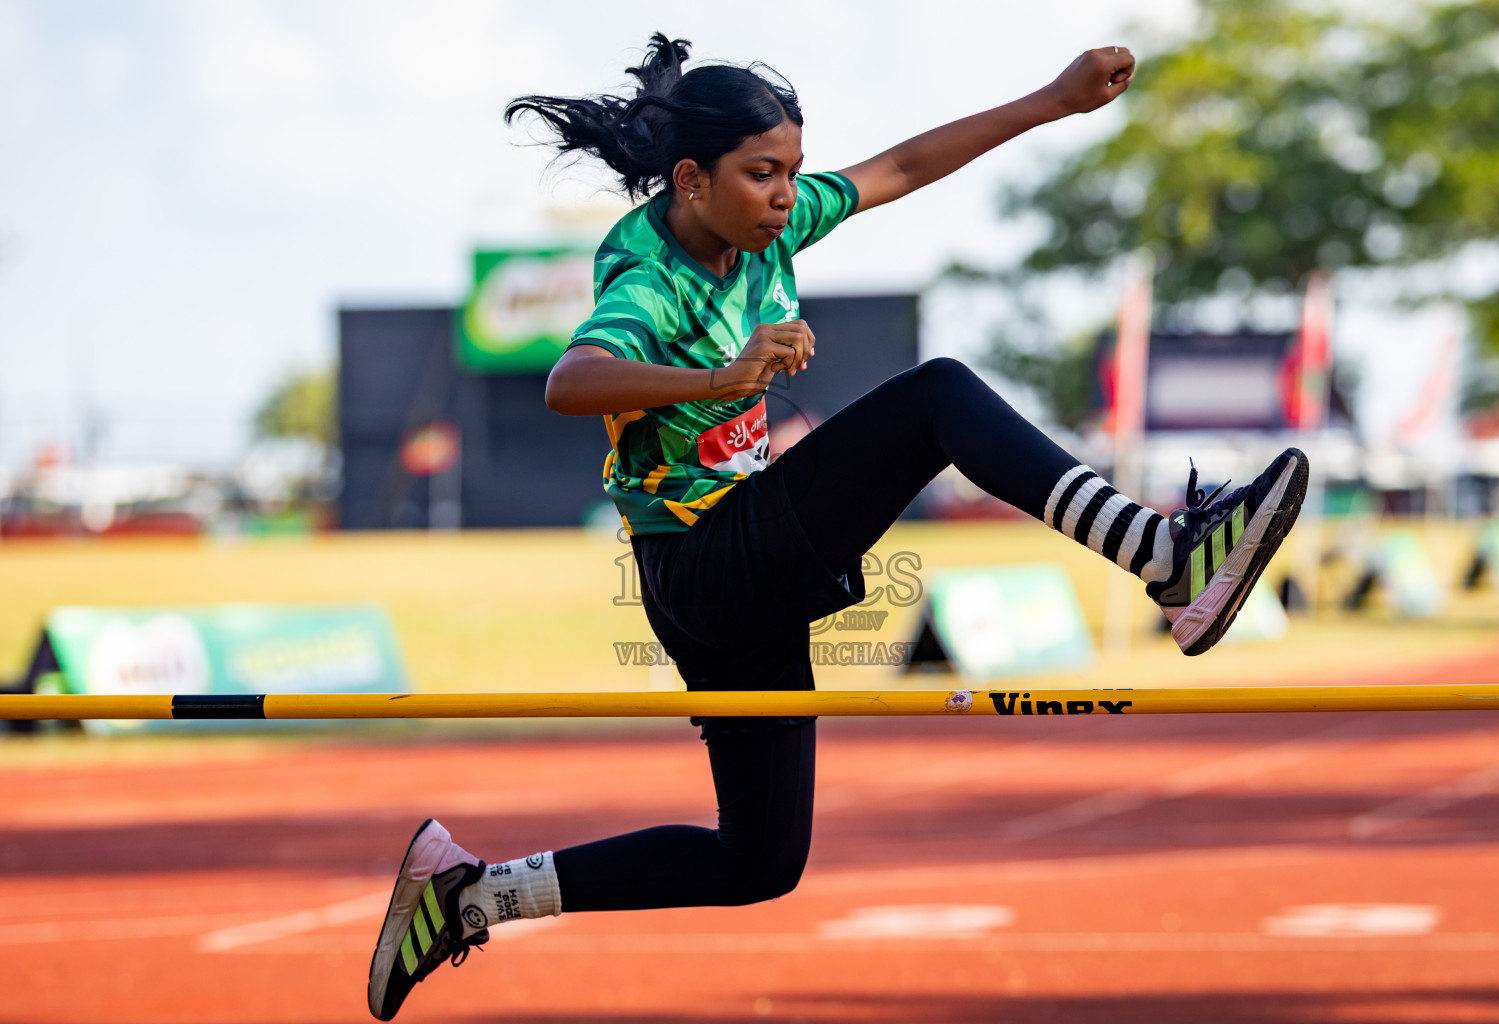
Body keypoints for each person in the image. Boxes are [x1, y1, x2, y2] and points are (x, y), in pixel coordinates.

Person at [368, 33, 1309, 1020]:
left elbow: (899, 168)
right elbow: (572, 380)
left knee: (758, 858)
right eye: (762, 175)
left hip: (736, 577)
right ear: (691, 180)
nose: (785, 195)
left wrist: (1052, 101)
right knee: (935, 398)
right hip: (705, 560)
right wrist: (723, 378)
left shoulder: (765, 229)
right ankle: (1165, 558)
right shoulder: (649, 276)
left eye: (793, 174)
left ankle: (471, 895)